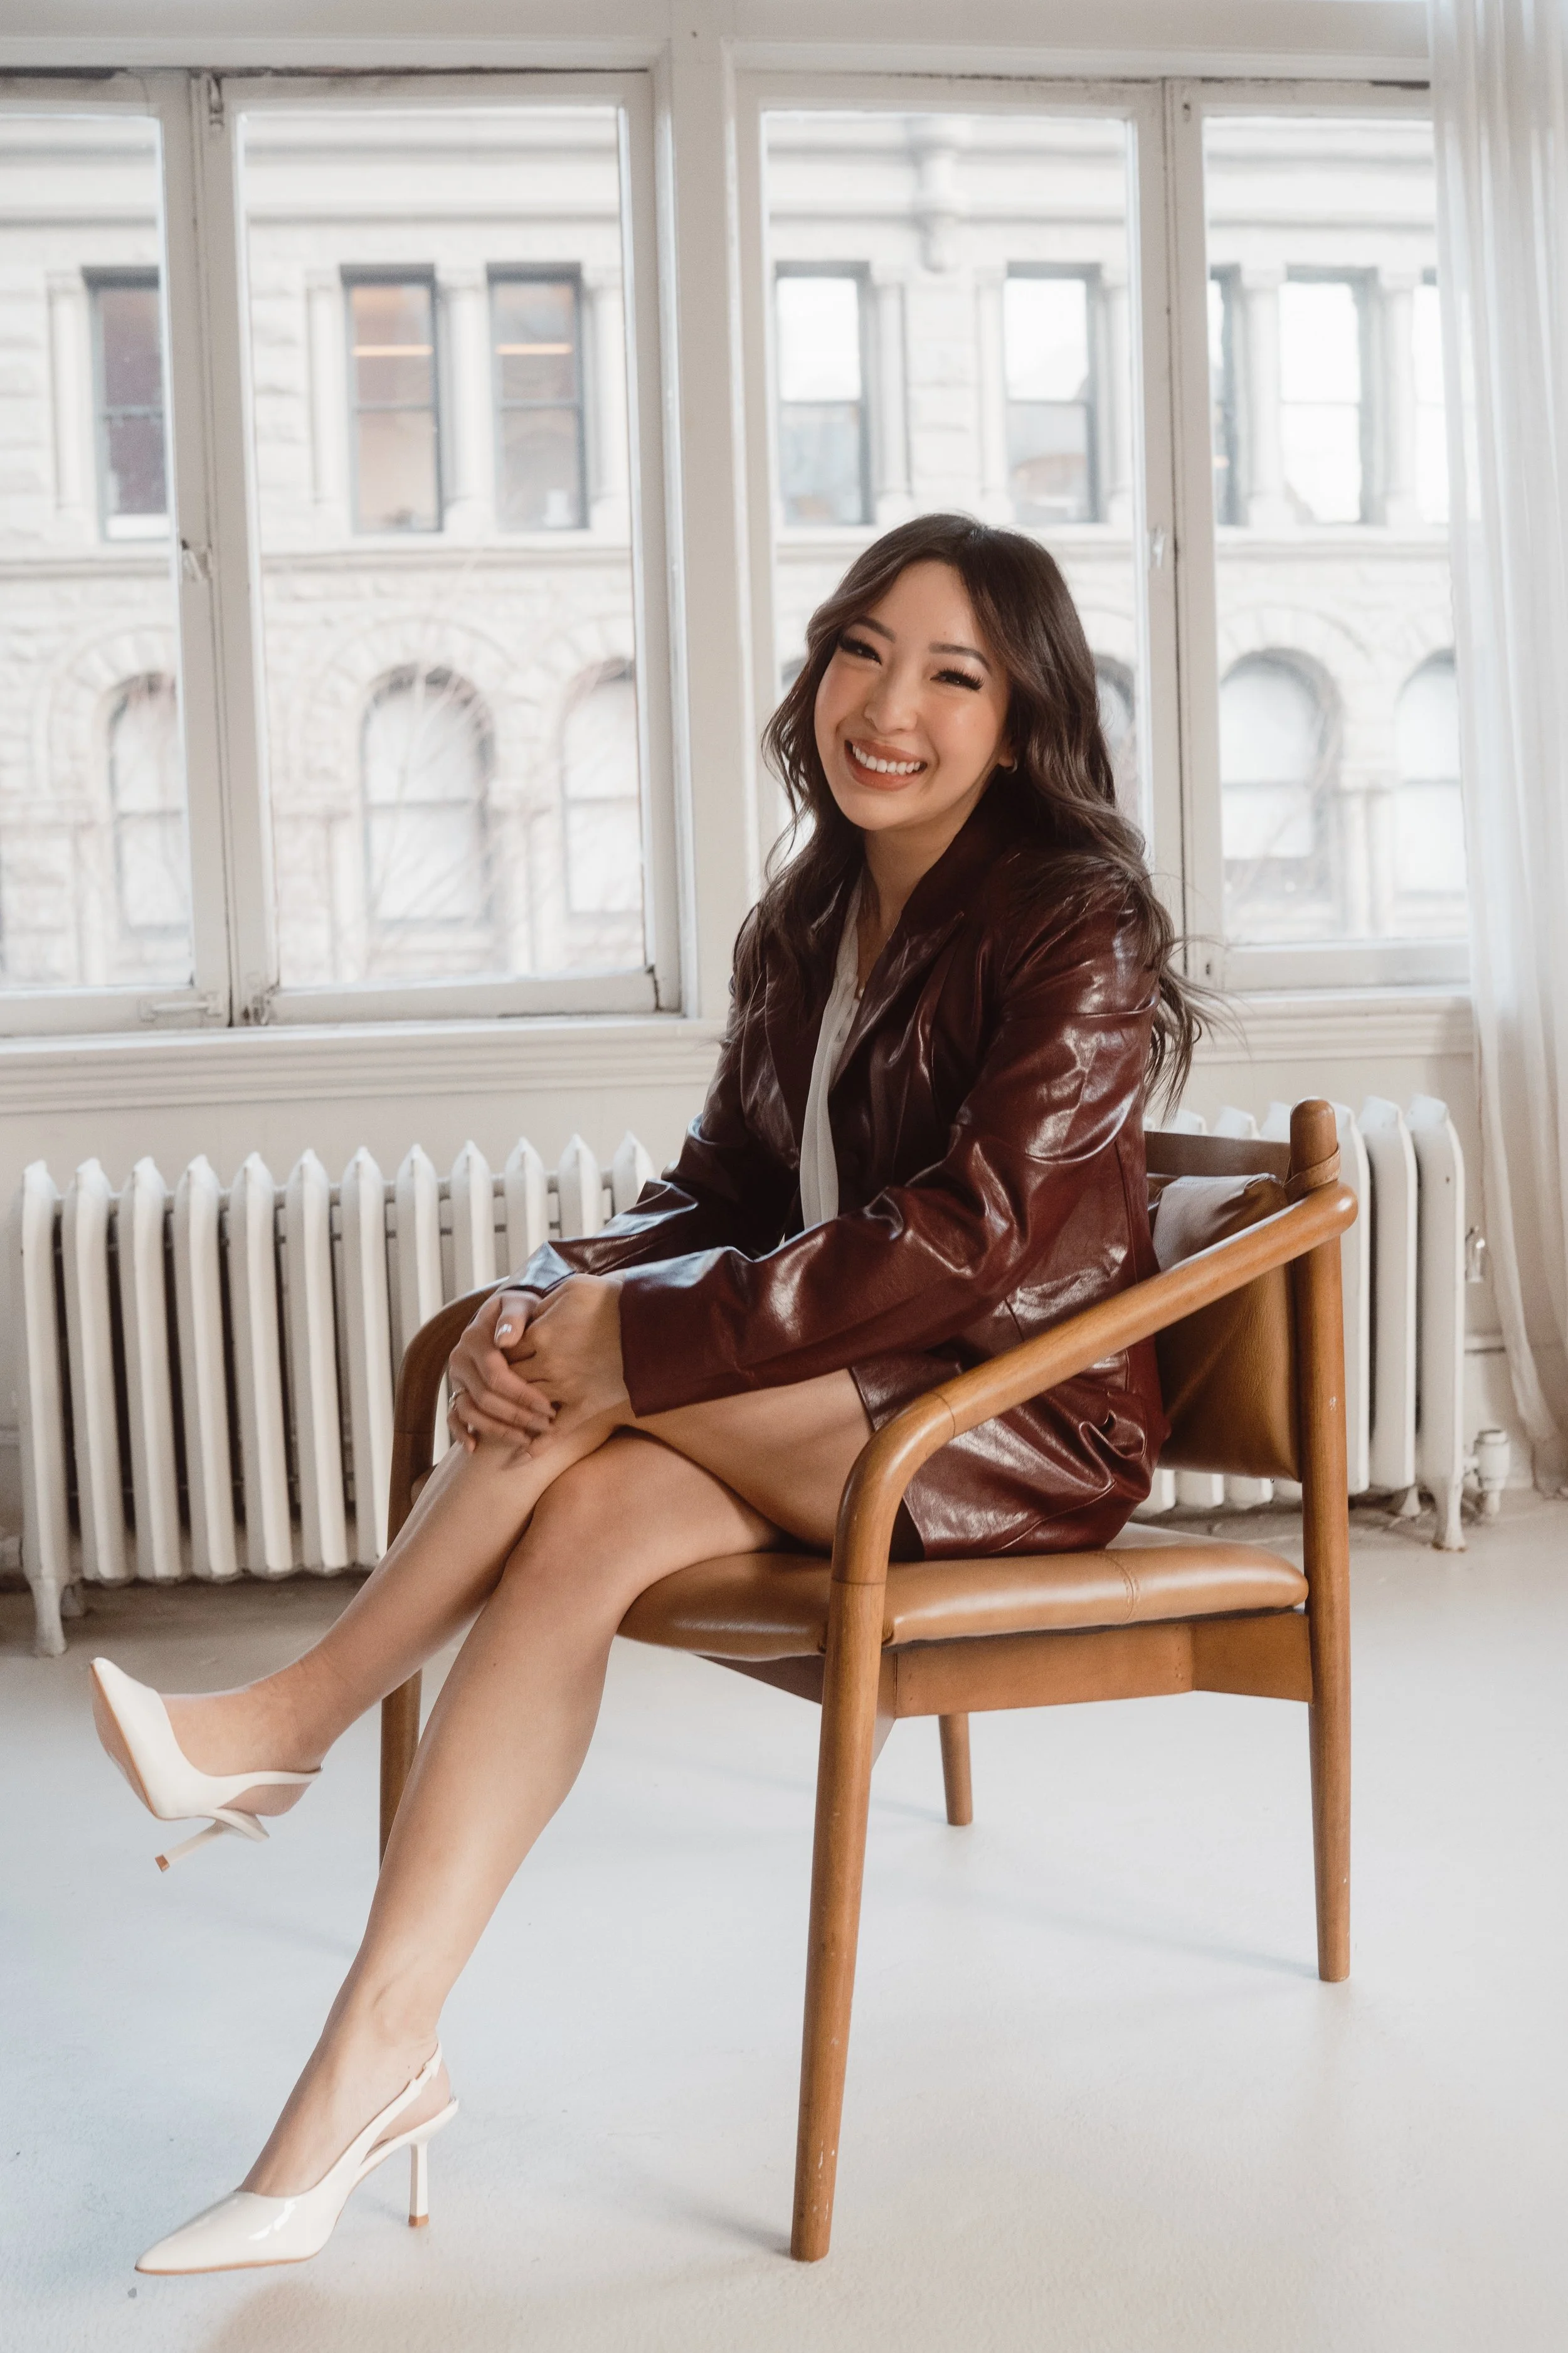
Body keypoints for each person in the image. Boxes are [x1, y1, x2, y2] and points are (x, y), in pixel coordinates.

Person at [91, 513, 1200, 2275]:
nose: (887, 702)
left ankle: (290, 1723)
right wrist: (548, 1292)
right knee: (585, 1496)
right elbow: (710, 1193)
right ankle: (362, 2076)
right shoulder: (810, 917)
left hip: (997, 1420)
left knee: (599, 1390)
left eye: (952, 673)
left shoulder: (1078, 925)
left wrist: (626, 1339)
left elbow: (974, 1236)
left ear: (1025, 719)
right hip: (833, 1389)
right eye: (861, 647)